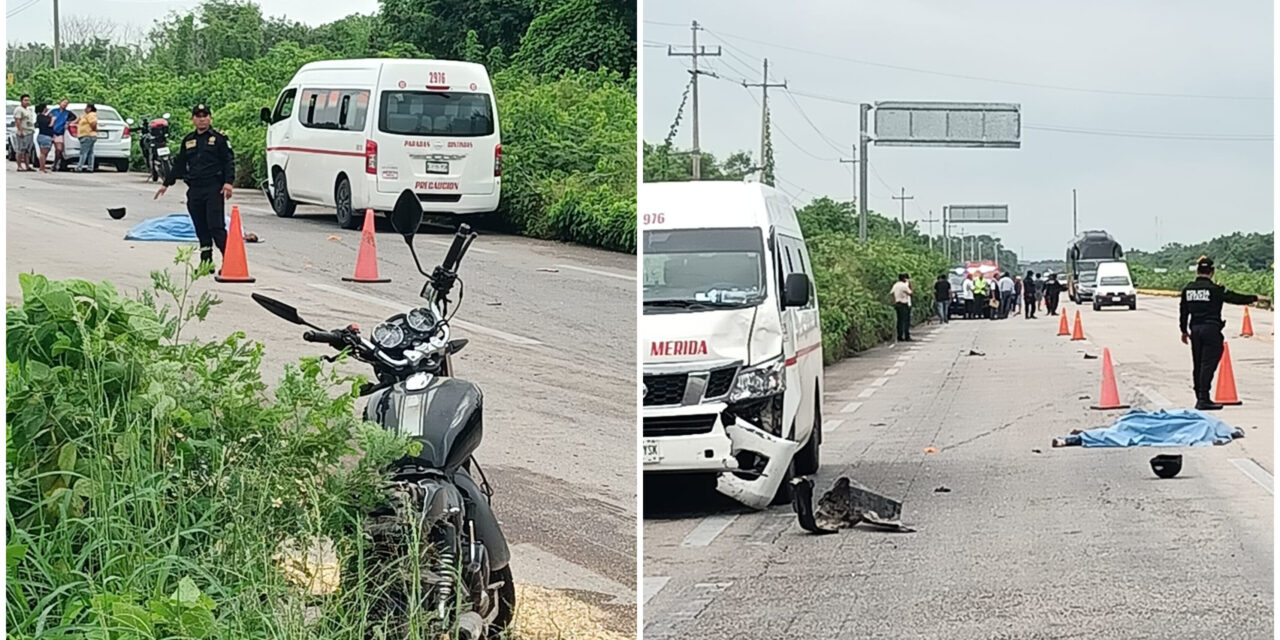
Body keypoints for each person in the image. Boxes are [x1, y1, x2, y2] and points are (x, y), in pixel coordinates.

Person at [1179, 257, 1267, 411]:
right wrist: (1255, 298)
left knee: (1198, 364)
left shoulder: (1188, 289)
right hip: (1211, 329)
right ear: (1212, 272)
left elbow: (1183, 311)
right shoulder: (1216, 289)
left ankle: (1200, 396)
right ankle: (1203, 398)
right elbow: (1235, 298)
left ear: (1198, 271)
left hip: (1196, 330)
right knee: (1208, 363)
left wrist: (1183, 331)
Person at [156, 104, 236, 269]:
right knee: (201, 227)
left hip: (213, 188)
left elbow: (228, 161)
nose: (202, 119)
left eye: (205, 115)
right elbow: (180, 164)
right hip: (195, 189)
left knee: (216, 227)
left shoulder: (219, 138)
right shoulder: (188, 140)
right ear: (193, 119)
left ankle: (230, 261)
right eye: (198, 116)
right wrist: (166, 184)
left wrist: (228, 182)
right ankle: (206, 261)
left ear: (210, 118)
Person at [12, 94, 35, 172]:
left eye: (28, 100)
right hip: (23, 132)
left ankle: (27, 166)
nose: (27, 102)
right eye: (25, 100)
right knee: (20, 150)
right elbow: (17, 120)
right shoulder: (19, 109)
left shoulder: (28, 110)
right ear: (21, 101)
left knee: (27, 151)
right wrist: (20, 130)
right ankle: (19, 166)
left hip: (29, 131)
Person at [75, 104, 100, 172]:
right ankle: (90, 167)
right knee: (90, 152)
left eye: (86, 107)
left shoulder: (91, 115)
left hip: (88, 135)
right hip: (88, 136)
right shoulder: (85, 116)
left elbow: (93, 123)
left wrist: (94, 129)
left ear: (90, 108)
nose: (85, 109)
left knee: (83, 152)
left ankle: (79, 167)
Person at [891, 273, 914, 342]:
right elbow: (911, 293)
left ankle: (900, 336)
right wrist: (910, 286)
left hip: (897, 304)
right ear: (904, 279)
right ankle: (907, 336)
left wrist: (894, 301)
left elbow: (892, 293)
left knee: (899, 320)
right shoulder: (904, 286)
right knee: (906, 321)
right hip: (904, 304)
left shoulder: (896, 285)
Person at [49, 98, 71, 171]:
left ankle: (56, 163)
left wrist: (69, 123)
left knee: (59, 149)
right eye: (64, 102)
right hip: (51, 132)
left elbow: (76, 118)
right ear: (60, 102)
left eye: (66, 103)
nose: (65, 104)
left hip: (60, 133)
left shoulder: (67, 113)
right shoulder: (54, 111)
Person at [34, 103, 54, 173]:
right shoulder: (43, 117)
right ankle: (42, 168)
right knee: (44, 153)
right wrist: (52, 119)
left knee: (43, 153)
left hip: (41, 135)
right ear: (44, 108)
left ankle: (42, 167)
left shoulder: (39, 117)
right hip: (46, 136)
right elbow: (50, 125)